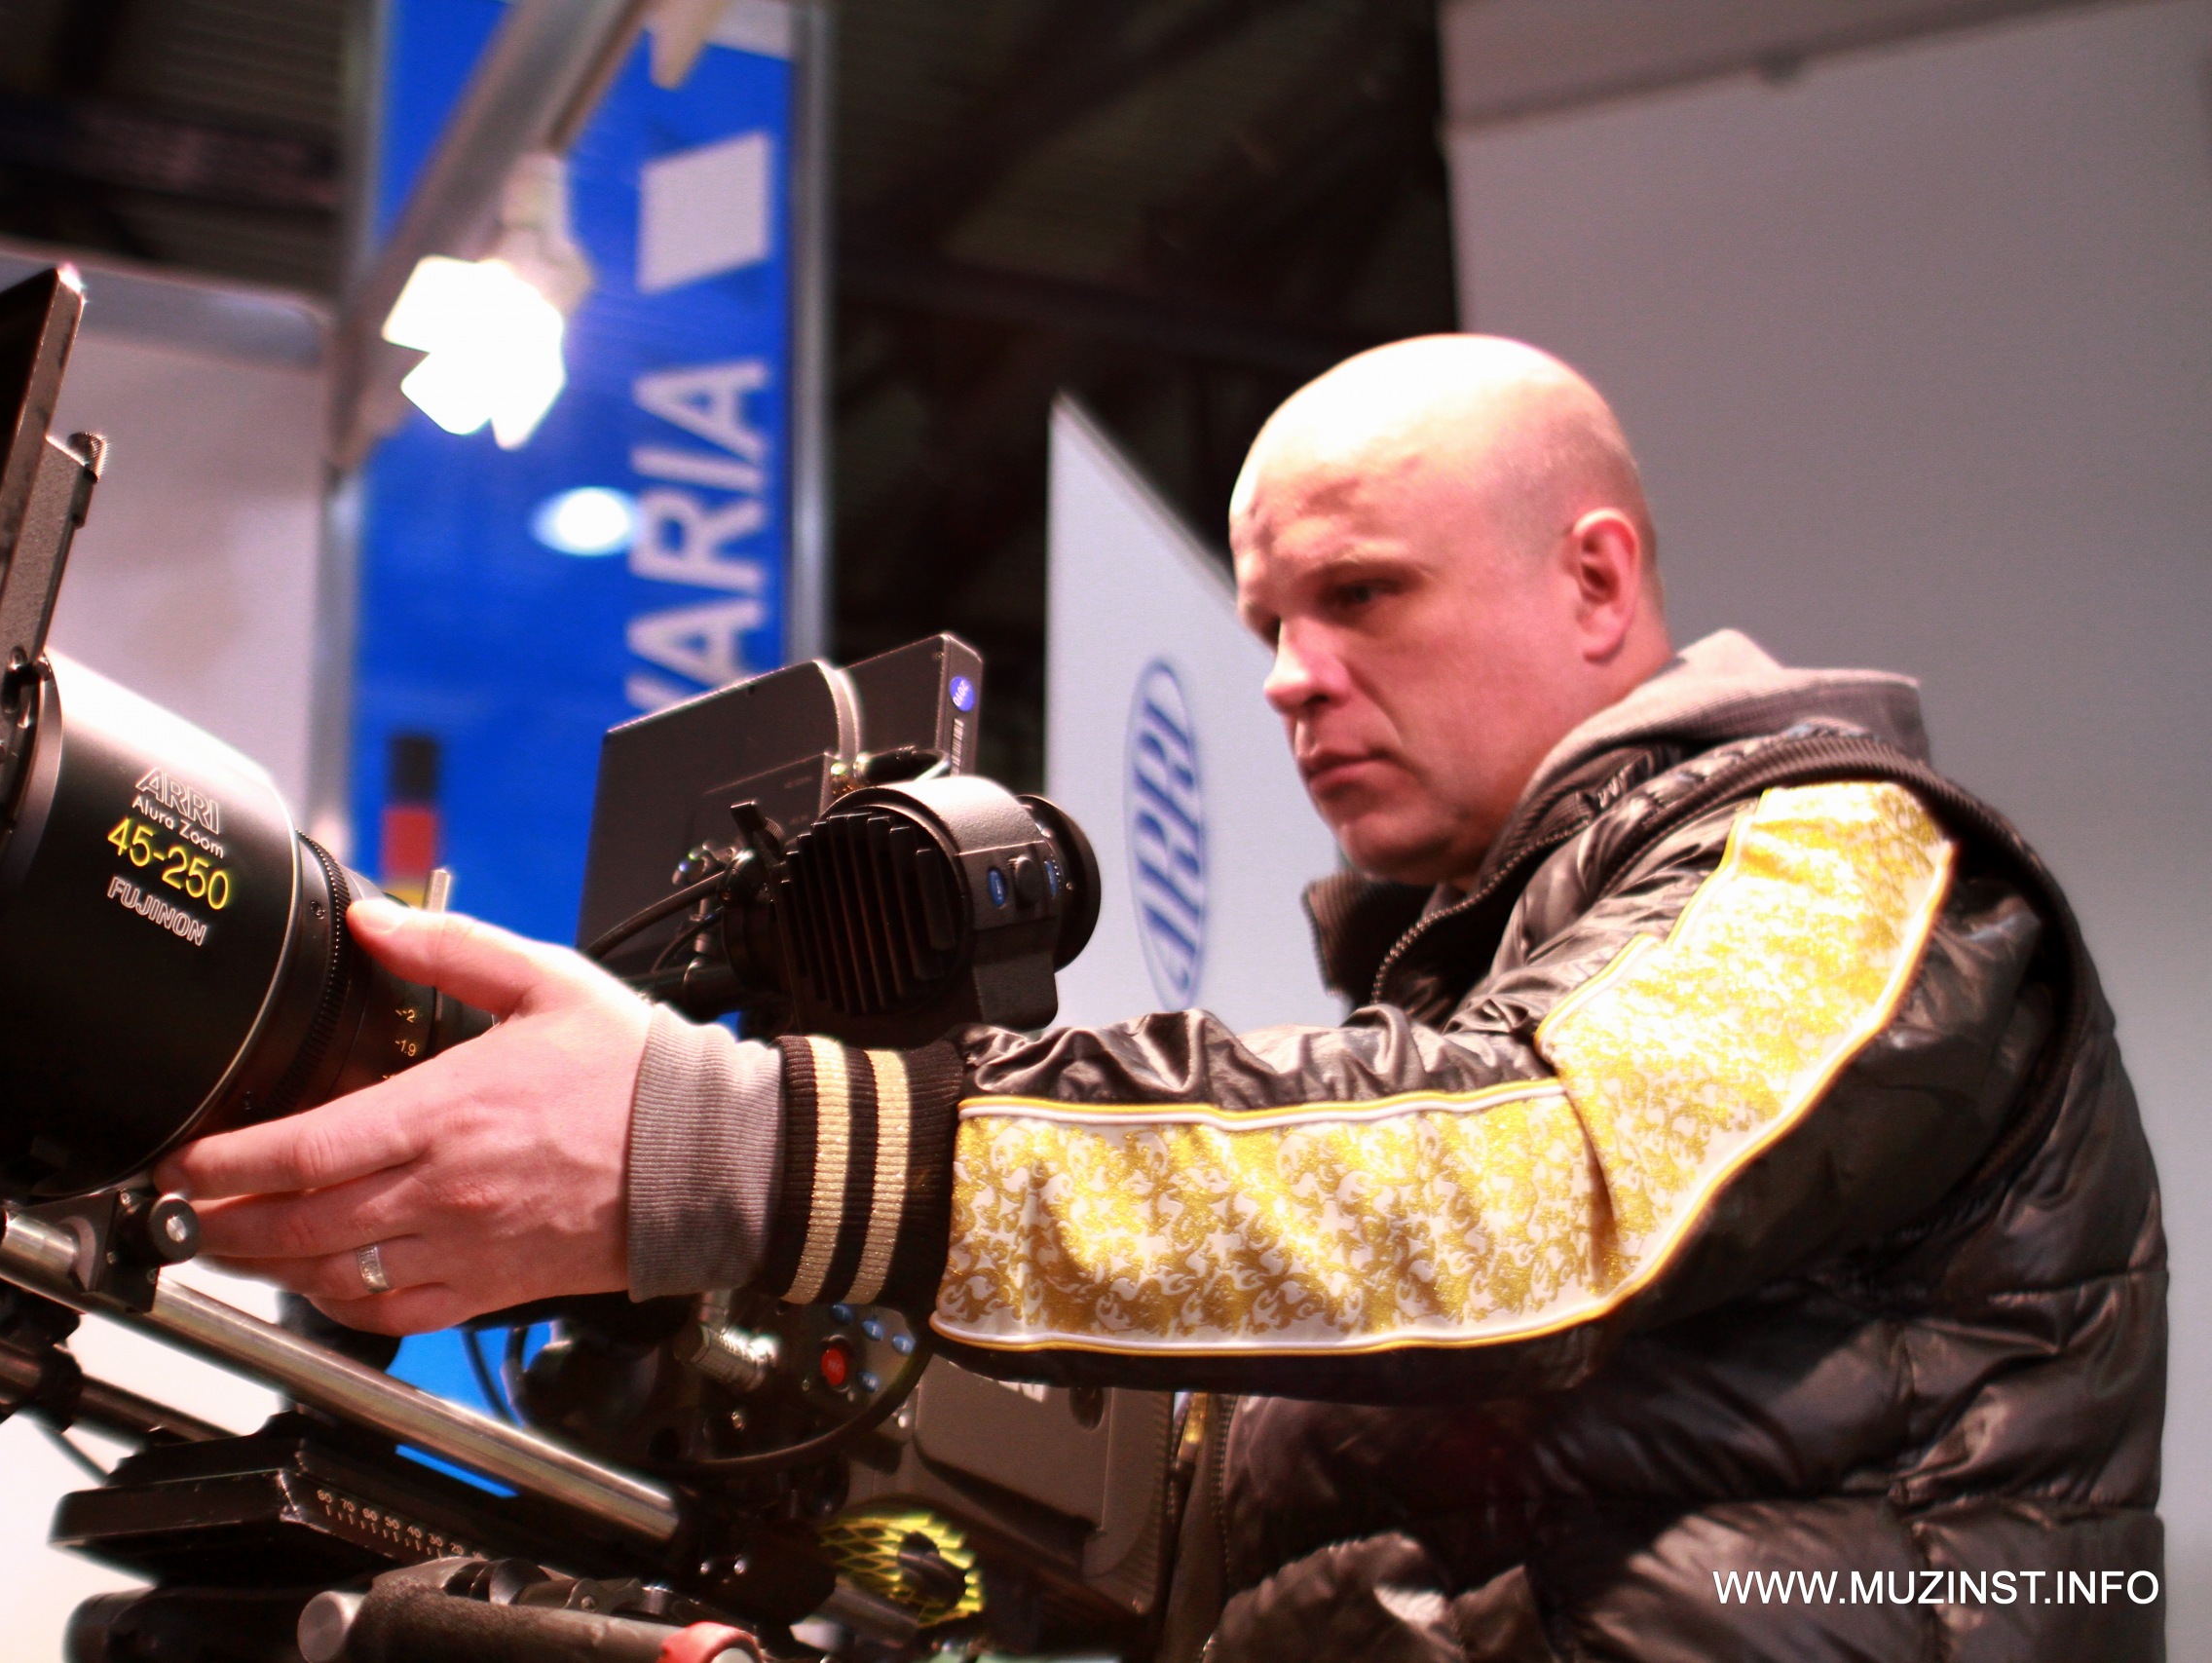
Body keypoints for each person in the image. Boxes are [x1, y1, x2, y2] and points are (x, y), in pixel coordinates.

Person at [157, 336, 2165, 1660]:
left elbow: (1543, 1180)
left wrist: (733, 1146)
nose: (1288, 673)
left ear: (1594, 576)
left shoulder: (1845, 854)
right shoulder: (1463, 988)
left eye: (1360, 595)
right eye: (1269, 619)